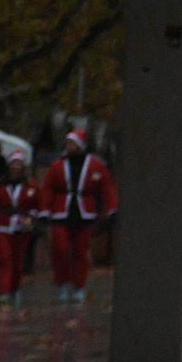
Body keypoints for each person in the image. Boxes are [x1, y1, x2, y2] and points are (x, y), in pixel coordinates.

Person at [39, 128, 116, 303]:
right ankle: (62, 282)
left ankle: (79, 286)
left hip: (84, 213)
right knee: (61, 249)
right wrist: (44, 210)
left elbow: (107, 188)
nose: (69, 146)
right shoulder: (58, 165)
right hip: (61, 213)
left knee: (81, 252)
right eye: (68, 143)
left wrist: (112, 209)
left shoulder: (96, 165)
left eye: (72, 143)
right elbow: (48, 189)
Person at [0, 149, 37, 306]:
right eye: (14, 163)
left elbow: (36, 205)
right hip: (1, 226)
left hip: (21, 227)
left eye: (19, 164)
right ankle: (4, 292)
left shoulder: (30, 185)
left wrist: (30, 218)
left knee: (18, 262)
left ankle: (14, 289)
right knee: (5, 259)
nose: (16, 167)